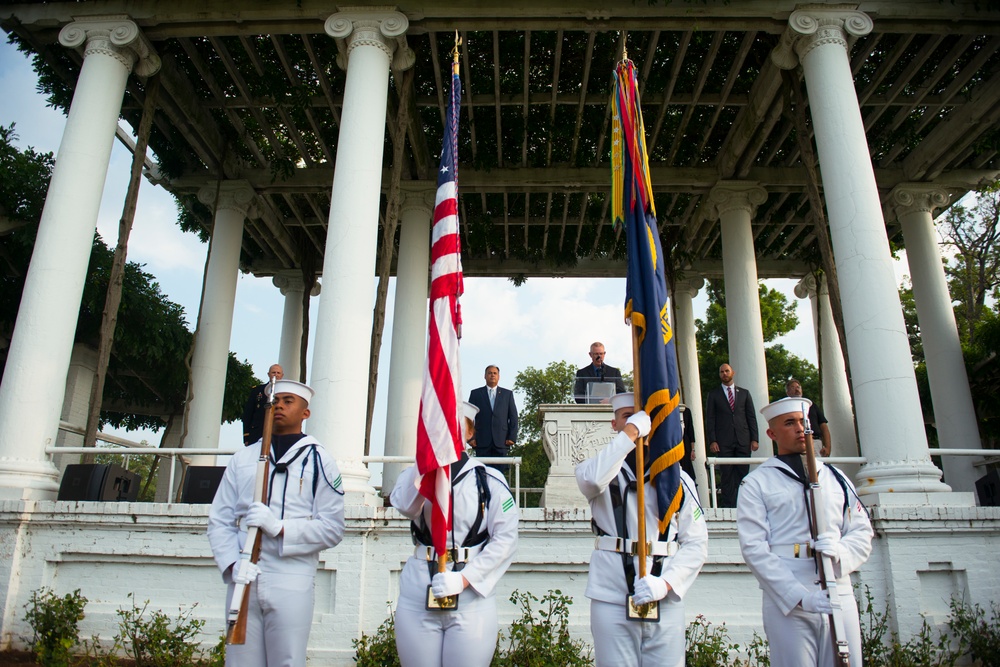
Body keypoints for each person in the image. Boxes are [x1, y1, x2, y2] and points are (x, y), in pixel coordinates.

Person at [208, 379, 345, 667]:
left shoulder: (320, 460)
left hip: (291, 575)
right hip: (244, 573)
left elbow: (332, 528)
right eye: (275, 401)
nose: (279, 405)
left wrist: (280, 527)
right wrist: (233, 564)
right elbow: (220, 519)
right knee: (239, 660)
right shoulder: (244, 458)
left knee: (287, 660)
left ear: (305, 413)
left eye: (288, 401)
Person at [737, 397, 873, 667]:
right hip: (788, 597)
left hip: (837, 588)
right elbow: (755, 548)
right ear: (772, 434)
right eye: (790, 423)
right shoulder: (757, 482)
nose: (801, 429)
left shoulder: (837, 477)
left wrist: (840, 553)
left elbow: (861, 531)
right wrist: (798, 597)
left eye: (804, 422)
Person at [575, 392, 708, 667]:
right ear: (614, 425)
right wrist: (631, 434)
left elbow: (696, 543)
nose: (640, 424)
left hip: (664, 596)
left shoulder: (678, 479)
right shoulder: (598, 470)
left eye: (646, 417)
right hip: (611, 596)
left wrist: (666, 583)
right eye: (628, 417)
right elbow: (592, 481)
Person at [390, 401, 519, 667]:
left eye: (455, 421)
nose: (447, 425)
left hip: (471, 593)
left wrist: (465, 579)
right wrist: (426, 459)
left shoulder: (488, 480)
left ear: (470, 434)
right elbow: (404, 505)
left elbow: (505, 539)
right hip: (419, 586)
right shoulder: (416, 474)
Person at [704, 363, 758, 507]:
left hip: (743, 440)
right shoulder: (714, 395)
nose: (724, 374)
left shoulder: (744, 393)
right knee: (726, 475)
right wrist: (713, 440)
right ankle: (730, 506)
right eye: (721, 372)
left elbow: (751, 416)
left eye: (727, 371)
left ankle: (745, 504)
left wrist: (754, 439)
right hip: (723, 441)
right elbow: (710, 419)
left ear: (732, 372)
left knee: (743, 474)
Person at [468, 365, 519, 474]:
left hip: (501, 442)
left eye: (495, 373)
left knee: (499, 475)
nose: (492, 375)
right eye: (490, 373)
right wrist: (471, 438)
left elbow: (513, 417)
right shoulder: (476, 394)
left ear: (498, 377)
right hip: (481, 442)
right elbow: (469, 418)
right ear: (485, 376)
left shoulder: (507, 394)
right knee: (482, 475)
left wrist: (512, 437)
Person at [786, 378, 832, 457]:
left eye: (798, 387)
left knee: (817, 468)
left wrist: (828, 447)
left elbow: (823, 426)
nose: (796, 390)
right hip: (796, 443)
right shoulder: (785, 407)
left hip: (815, 442)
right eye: (793, 388)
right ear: (788, 392)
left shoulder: (811, 405)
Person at [241, 364, 284, 446]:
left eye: (278, 373)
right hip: (257, 434)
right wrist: (246, 436)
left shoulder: (285, 393)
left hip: (278, 434)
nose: (276, 375)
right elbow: (248, 414)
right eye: (273, 372)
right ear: (268, 374)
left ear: (282, 375)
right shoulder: (257, 390)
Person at [679, 404, 697, 482]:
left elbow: (690, 432)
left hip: (685, 446)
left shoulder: (686, 411)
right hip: (673, 444)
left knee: (687, 472)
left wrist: (693, 450)